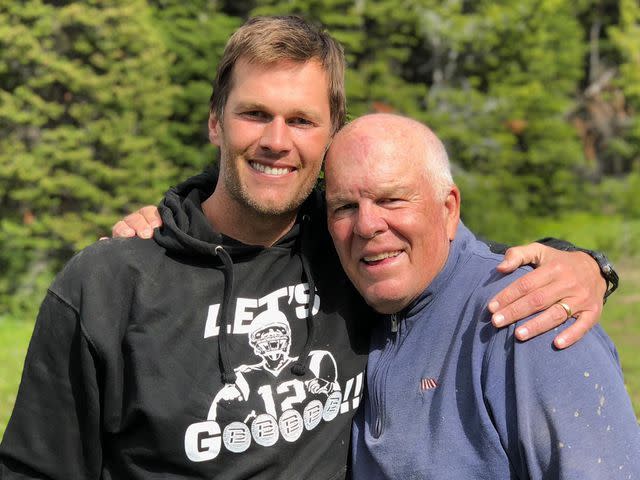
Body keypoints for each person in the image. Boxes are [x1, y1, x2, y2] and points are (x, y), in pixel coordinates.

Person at [0, 15, 615, 480]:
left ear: (331, 134)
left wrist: (588, 265)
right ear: (216, 122)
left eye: (301, 120)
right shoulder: (109, 283)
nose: (276, 140)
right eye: (253, 114)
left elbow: (455, 256)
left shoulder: (350, 245)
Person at [322, 113, 640, 479]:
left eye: (392, 199)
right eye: (344, 207)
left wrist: (595, 266)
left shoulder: (531, 315)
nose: (366, 225)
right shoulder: (345, 304)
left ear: (449, 209)